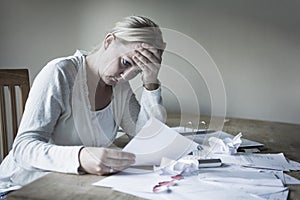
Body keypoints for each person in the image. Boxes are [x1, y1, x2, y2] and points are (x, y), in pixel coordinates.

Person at [0, 15, 166, 194]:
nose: (125, 76)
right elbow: (23, 148)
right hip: (19, 188)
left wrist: (150, 81)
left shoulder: (120, 87)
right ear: (109, 41)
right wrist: (80, 157)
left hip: (71, 187)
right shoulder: (59, 73)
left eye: (138, 70)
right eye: (125, 62)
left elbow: (145, 138)